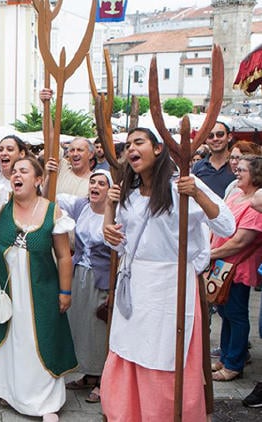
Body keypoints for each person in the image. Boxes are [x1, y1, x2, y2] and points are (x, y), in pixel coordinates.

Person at [101, 128, 234, 421]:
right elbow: (120, 244)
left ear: (158, 148)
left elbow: (227, 226)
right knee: (129, 350)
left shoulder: (182, 186)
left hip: (171, 286)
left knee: (166, 356)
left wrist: (196, 192)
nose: (130, 150)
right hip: (134, 285)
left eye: (139, 142)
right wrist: (109, 213)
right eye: (127, 146)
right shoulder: (130, 194)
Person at [0, 149, 75, 420]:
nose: (16, 174)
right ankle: (12, 394)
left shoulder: (53, 212)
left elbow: (65, 256)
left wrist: (65, 291)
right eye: (14, 171)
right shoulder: (2, 203)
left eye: (24, 171)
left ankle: (45, 403)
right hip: (4, 289)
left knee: (35, 343)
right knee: (10, 342)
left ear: (38, 180)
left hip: (40, 291)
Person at [57, 170, 113, 404]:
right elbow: (54, 198)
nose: (95, 187)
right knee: (81, 326)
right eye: (93, 182)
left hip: (103, 278)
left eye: (102, 183)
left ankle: (103, 380)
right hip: (80, 272)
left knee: (99, 330)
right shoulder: (81, 206)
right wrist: (50, 173)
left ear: (110, 190)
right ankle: (89, 374)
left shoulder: (115, 213)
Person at [209, 155, 262, 382]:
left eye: (242, 170)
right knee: (225, 312)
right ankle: (226, 355)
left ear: (256, 175)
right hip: (223, 265)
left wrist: (209, 254)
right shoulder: (238, 194)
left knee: (236, 314)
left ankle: (234, 364)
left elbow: (241, 242)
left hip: (238, 268)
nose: (237, 173)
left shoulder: (256, 204)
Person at [192, 121, 236, 198]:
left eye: (220, 134)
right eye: (210, 136)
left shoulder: (238, 164)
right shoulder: (198, 166)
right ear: (206, 140)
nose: (215, 139)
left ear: (229, 137)